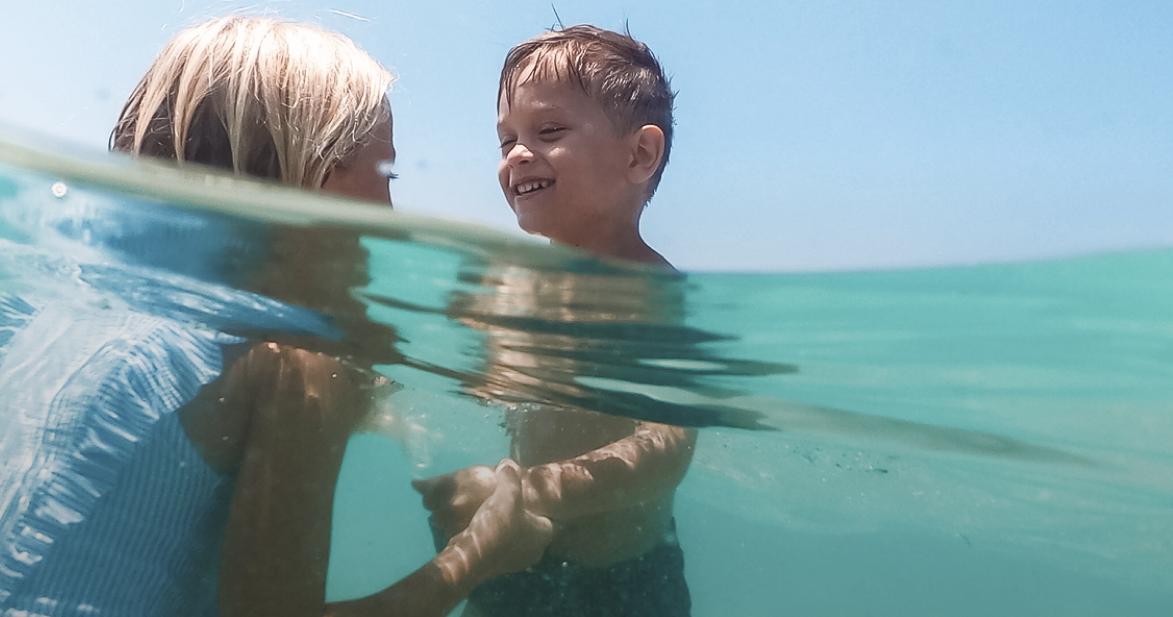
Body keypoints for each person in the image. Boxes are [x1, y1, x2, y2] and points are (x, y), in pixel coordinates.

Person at [0, 16, 550, 617]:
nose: (393, 214)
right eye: (386, 174)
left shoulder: (52, 310)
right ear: (312, 174)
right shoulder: (297, 361)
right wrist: (480, 552)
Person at [413, 25, 695, 617]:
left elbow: (665, 450)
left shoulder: (653, 295)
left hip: (621, 584)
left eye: (549, 132)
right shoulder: (504, 290)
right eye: (506, 139)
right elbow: (481, 386)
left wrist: (520, 491)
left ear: (639, 155)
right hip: (518, 558)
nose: (517, 154)